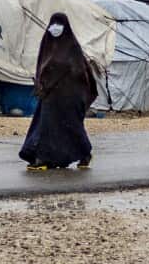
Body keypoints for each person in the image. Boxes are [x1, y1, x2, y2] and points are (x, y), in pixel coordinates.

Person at [19, 12, 96, 171]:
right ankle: (43, 158)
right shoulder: (47, 43)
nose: (55, 27)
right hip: (50, 95)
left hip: (69, 96)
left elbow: (79, 72)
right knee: (45, 125)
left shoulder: (72, 46)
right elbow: (42, 67)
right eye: (53, 23)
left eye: (59, 23)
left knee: (72, 127)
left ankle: (85, 153)